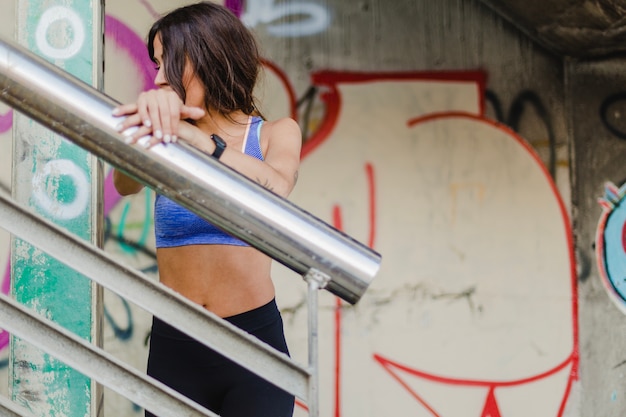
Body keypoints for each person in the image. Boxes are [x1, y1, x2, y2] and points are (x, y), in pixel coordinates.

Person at [111, 2, 301, 416]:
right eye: (156, 64)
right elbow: (124, 184)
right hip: (175, 344)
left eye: (170, 62)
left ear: (208, 58)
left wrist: (201, 141)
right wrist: (152, 131)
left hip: (254, 346)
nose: (159, 77)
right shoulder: (167, 138)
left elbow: (277, 187)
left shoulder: (274, 133)